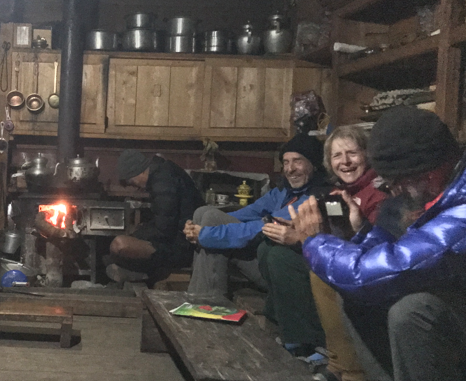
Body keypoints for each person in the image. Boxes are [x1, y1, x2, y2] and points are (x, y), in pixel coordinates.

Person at [291, 107, 466, 381]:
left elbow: (373, 273)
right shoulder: (448, 190)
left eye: (395, 181)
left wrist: (313, 241)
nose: (391, 189)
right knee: (365, 297)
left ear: (429, 172)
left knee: (414, 310)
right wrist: (361, 232)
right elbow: (402, 260)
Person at [185, 133, 329, 359]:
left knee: (212, 223)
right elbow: (244, 215)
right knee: (205, 213)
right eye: (286, 162)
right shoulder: (283, 192)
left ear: (314, 164)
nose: (290, 169)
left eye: (298, 161)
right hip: (266, 261)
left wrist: (207, 234)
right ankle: (201, 305)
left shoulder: (315, 197)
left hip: (287, 271)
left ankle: (204, 310)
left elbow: (263, 228)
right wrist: (199, 227)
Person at [304, 126, 388, 381]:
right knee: (317, 267)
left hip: (378, 276)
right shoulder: (338, 193)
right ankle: (338, 366)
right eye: (337, 155)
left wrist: (358, 226)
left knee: (326, 275)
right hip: (357, 266)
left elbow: (382, 246)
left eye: (352, 153)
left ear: (367, 154)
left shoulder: (379, 191)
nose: (346, 161)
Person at [107, 149, 204, 284]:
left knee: (119, 245)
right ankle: (137, 272)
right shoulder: (162, 173)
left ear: (140, 171)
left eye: (132, 181)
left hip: (182, 247)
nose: (135, 186)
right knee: (117, 252)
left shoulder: (163, 182)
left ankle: (148, 274)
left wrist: (136, 237)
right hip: (179, 242)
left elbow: (164, 230)